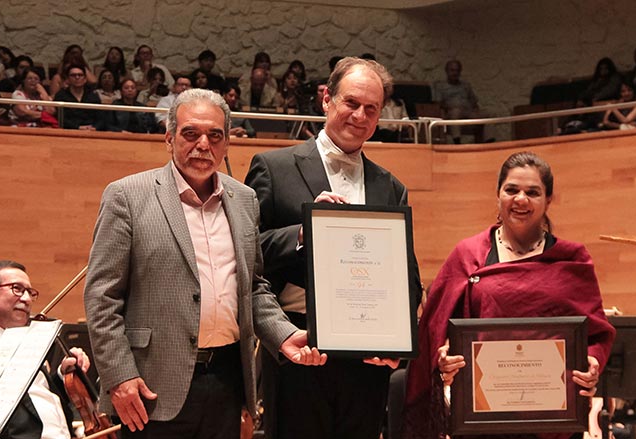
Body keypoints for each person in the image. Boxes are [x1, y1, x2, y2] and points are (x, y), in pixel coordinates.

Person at [83, 88, 325, 439]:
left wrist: (284, 334)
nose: (203, 145)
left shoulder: (244, 199)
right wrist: (119, 376)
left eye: (215, 135)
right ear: (169, 138)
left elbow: (253, 287)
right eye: (190, 133)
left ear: (227, 143)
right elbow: (102, 298)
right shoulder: (126, 196)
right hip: (150, 388)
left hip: (225, 382)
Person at [245, 56, 422, 439]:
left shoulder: (391, 187)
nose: (360, 115)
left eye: (371, 109)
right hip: (299, 346)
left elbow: (407, 277)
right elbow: (247, 254)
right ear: (326, 99)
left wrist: (398, 345)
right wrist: (304, 232)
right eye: (351, 103)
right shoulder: (273, 167)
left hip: (367, 355)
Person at [402, 151, 616, 439]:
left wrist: (591, 363)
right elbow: (435, 330)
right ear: (498, 195)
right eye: (511, 190)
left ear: (548, 200)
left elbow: (597, 335)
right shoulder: (468, 256)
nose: (521, 200)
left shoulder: (572, 260)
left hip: (555, 415)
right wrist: (444, 357)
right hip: (481, 416)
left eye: (533, 192)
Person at [0, 260, 90, 439]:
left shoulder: (27, 343)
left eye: (30, 292)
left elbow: (37, 398)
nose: (26, 299)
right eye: (17, 289)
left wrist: (63, 377)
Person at [434, 59, 484, 143]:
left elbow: (474, 102)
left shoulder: (466, 85)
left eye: (457, 70)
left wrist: (475, 110)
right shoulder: (440, 86)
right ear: (447, 71)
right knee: (456, 112)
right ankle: (457, 141)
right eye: (452, 70)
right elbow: (437, 104)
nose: (455, 73)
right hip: (451, 112)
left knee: (489, 114)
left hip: (468, 112)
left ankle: (490, 142)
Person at [53, 64, 101, 130]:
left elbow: (100, 117)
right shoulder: (61, 96)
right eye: (73, 75)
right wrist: (78, 127)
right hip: (69, 132)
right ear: (68, 79)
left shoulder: (93, 95)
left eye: (80, 75)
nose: (77, 77)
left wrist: (95, 128)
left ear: (85, 79)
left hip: (92, 131)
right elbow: (60, 118)